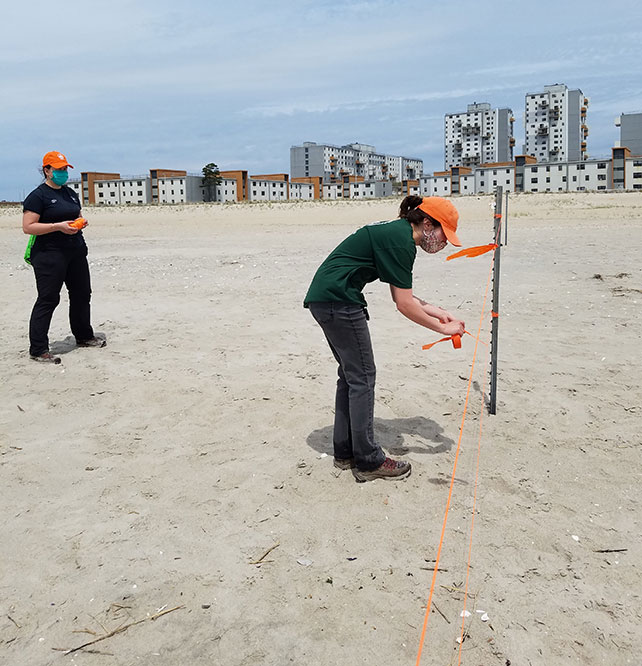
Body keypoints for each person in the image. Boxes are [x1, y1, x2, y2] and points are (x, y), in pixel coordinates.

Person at [304, 195, 465, 482]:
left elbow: (404, 297)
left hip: (327, 299)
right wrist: (443, 330)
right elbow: (404, 305)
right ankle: (368, 461)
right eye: (444, 234)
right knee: (363, 376)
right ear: (428, 223)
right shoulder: (401, 242)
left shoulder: (398, 233)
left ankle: (345, 452)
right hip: (339, 301)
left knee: (352, 376)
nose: (443, 243)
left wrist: (441, 313)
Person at [22, 151, 105, 363]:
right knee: (48, 298)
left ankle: (84, 336)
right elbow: (28, 227)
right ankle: (38, 349)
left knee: (81, 293)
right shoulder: (37, 196)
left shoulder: (69, 193)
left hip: (75, 250)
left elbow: (76, 214)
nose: (63, 172)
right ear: (47, 171)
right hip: (50, 254)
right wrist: (57, 227)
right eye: (58, 169)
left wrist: (80, 222)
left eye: (65, 169)